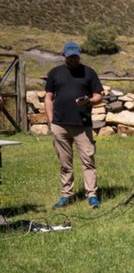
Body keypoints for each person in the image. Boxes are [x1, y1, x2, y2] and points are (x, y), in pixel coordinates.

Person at [44, 41, 104, 209]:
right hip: (59, 125)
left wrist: (89, 101)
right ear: (64, 56)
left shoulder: (89, 72)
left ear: (79, 55)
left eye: (76, 56)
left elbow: (98, 96)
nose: (73, 59)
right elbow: (48, 98)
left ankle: (92, 195)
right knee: (65, 163)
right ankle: (66, 195)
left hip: (82, 125)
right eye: (70, 57)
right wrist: (51, 121)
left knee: (88, 160)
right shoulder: (55, 73)